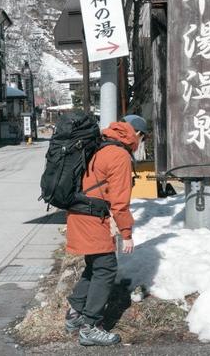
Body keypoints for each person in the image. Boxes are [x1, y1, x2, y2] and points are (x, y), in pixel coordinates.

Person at [64, 115, 147, 346]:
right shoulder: (119, 155)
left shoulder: (100, 144)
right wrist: (127, 234)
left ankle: (74, 313)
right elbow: (120, 202)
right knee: (107, 268)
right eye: (143, 138)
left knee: (96, 265)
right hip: (93, 217)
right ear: (137, 134)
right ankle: (91, 326)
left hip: (79, 213)